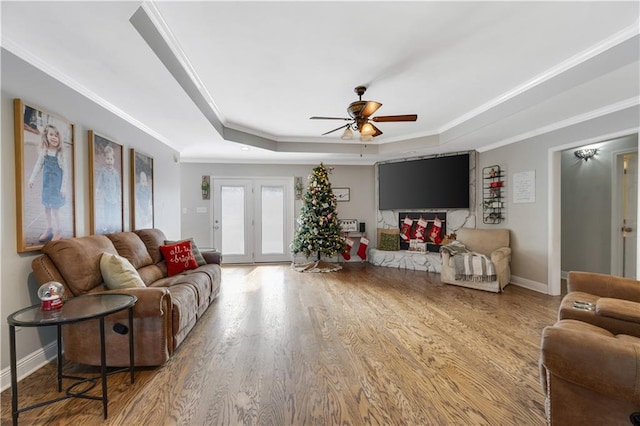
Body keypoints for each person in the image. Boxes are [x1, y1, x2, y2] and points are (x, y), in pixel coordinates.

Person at [28, 124, 66, 242]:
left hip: (56, 188)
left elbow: (66, 172)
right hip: (46, 187)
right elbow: (38, 166)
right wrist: (32, 179)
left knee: (55, 210)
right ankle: (49, 229)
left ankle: (59, 230)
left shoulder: (60, 155)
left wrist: (63, 188)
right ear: (46, 136)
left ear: (59, 139)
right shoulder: (44, 152)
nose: (54, 137)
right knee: (46, 208)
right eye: (51, 135)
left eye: (56, 135)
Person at [96, 145, 121, 233]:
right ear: (104, 159)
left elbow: (118, 185)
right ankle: (106, 224)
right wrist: (98, 189)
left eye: (111, 159)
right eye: (107, 159)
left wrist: (119, 195)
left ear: (113, 160)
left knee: (113, 212)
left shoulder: (115, 173)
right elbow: (100, 181)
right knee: (107, 211)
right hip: (106, 196)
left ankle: (112, 226)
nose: (109, 161)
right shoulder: (103, 171)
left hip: (114, 197)